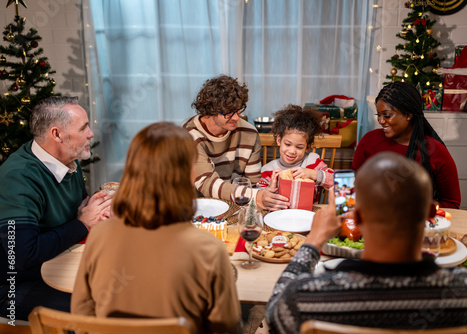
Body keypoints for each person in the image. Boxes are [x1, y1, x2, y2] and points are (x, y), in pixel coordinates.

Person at [266, 152, 467, 333]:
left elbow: (274, 316)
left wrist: (313, 242)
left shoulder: (307, 296)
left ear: (357, 218)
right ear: (431, 214)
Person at [71, 122, 241, 334]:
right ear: (187, 175)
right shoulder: (209, 249)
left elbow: (82, 313)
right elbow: (226, 327)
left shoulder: (99, 234)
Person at [0, 96, 111, 320]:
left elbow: (80, 208)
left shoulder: (70, 160)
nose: (91, 133)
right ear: (57, 134)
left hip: (59, 265)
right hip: (13, 286)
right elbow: (22, 256)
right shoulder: (19, 177)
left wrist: (97, 210)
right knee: (104, 306)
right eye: (84, 127)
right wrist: (82, 223)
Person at [184, 74, 289, 211]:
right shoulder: (189, 136)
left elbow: (253, 182)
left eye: (239, 109)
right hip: (198, 207)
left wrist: (263, 196)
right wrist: (256, 196)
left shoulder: (249, 133)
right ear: (210, 110)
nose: (236, 117)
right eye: (228, 112)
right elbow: (207, 183)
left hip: (237, 205)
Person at [352, 81, 460, 209]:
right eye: (379, 115)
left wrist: (412, 210)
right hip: (373, 222)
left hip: (417, 226)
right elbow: (354, 189)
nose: (381, 121)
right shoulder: (368, 141)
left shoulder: (435, 151)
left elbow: (452, 203)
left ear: (408, 115)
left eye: (387, 115)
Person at [258, 105, 334, 202]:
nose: (292, 151)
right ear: (279, 140)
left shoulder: (313, 163)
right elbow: (260, 196)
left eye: (299, 147)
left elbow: (336, 182)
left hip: (308, 215)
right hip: (279, 215)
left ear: (307, 148)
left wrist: (314, 174)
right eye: (287, 144)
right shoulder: (268, 171)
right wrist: (270, 188)